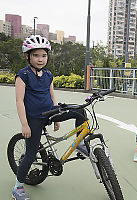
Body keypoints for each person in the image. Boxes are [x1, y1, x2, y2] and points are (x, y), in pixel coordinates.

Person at [12, 35, 87, 200]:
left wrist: (57, 115)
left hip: (49, 113)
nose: (40, 59)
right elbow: (19, 101)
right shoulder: (22, 75)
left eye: (44, 56)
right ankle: (17, 187)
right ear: (28, 56)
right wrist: (25, 124)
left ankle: (80, 143)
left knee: (80, 111)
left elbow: (52, 95)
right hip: (34, 118)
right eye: (36, 55)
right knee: (31, 154)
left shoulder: (48, 74)